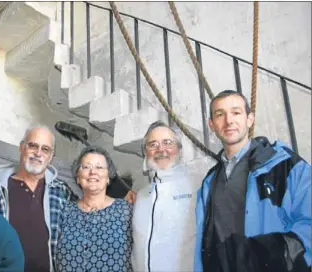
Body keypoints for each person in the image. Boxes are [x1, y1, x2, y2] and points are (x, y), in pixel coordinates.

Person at [0, 124, 135, 272]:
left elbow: (94, 195)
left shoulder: (60, 192)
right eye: (33, 146)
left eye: (45, 149)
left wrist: (124, 194)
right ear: (22, 147)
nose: (38, 153)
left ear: (51, 156)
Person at [194, 90, 311, 272]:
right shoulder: (208, 182)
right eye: (220, 114)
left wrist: (267, 254)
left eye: (236, 112)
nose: (228, 120)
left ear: (250, 119)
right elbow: (203, 243)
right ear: (211, 124)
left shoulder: (286, 165)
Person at [131, 121, 200, 272]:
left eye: (167, 143)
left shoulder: (197, 187)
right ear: (145, 152)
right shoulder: (141, 196)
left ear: (179, 150)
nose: (161, 150)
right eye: (153, 145)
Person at [55, 145, 133, 271]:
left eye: (99, 167)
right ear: (78, 178)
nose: (93, 172)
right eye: (86, 167)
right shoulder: (65, 211)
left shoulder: (126, 210)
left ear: (108, 177)